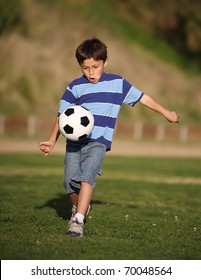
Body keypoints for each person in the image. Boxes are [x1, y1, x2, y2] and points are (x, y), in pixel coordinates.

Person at [39, 38, 180, 238]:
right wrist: (52, 140)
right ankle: (80, 206)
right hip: (74, 143)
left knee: (87, 176)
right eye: (85, 67)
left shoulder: (117, 83)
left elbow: (143, 97)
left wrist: (166, 113)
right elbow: (63, 115)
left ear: (105, 62)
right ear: (80, 65)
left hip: (98, 141)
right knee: (69, 183)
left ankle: (77, 221)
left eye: (95, 67)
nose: (91, 72)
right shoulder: (75, 87)